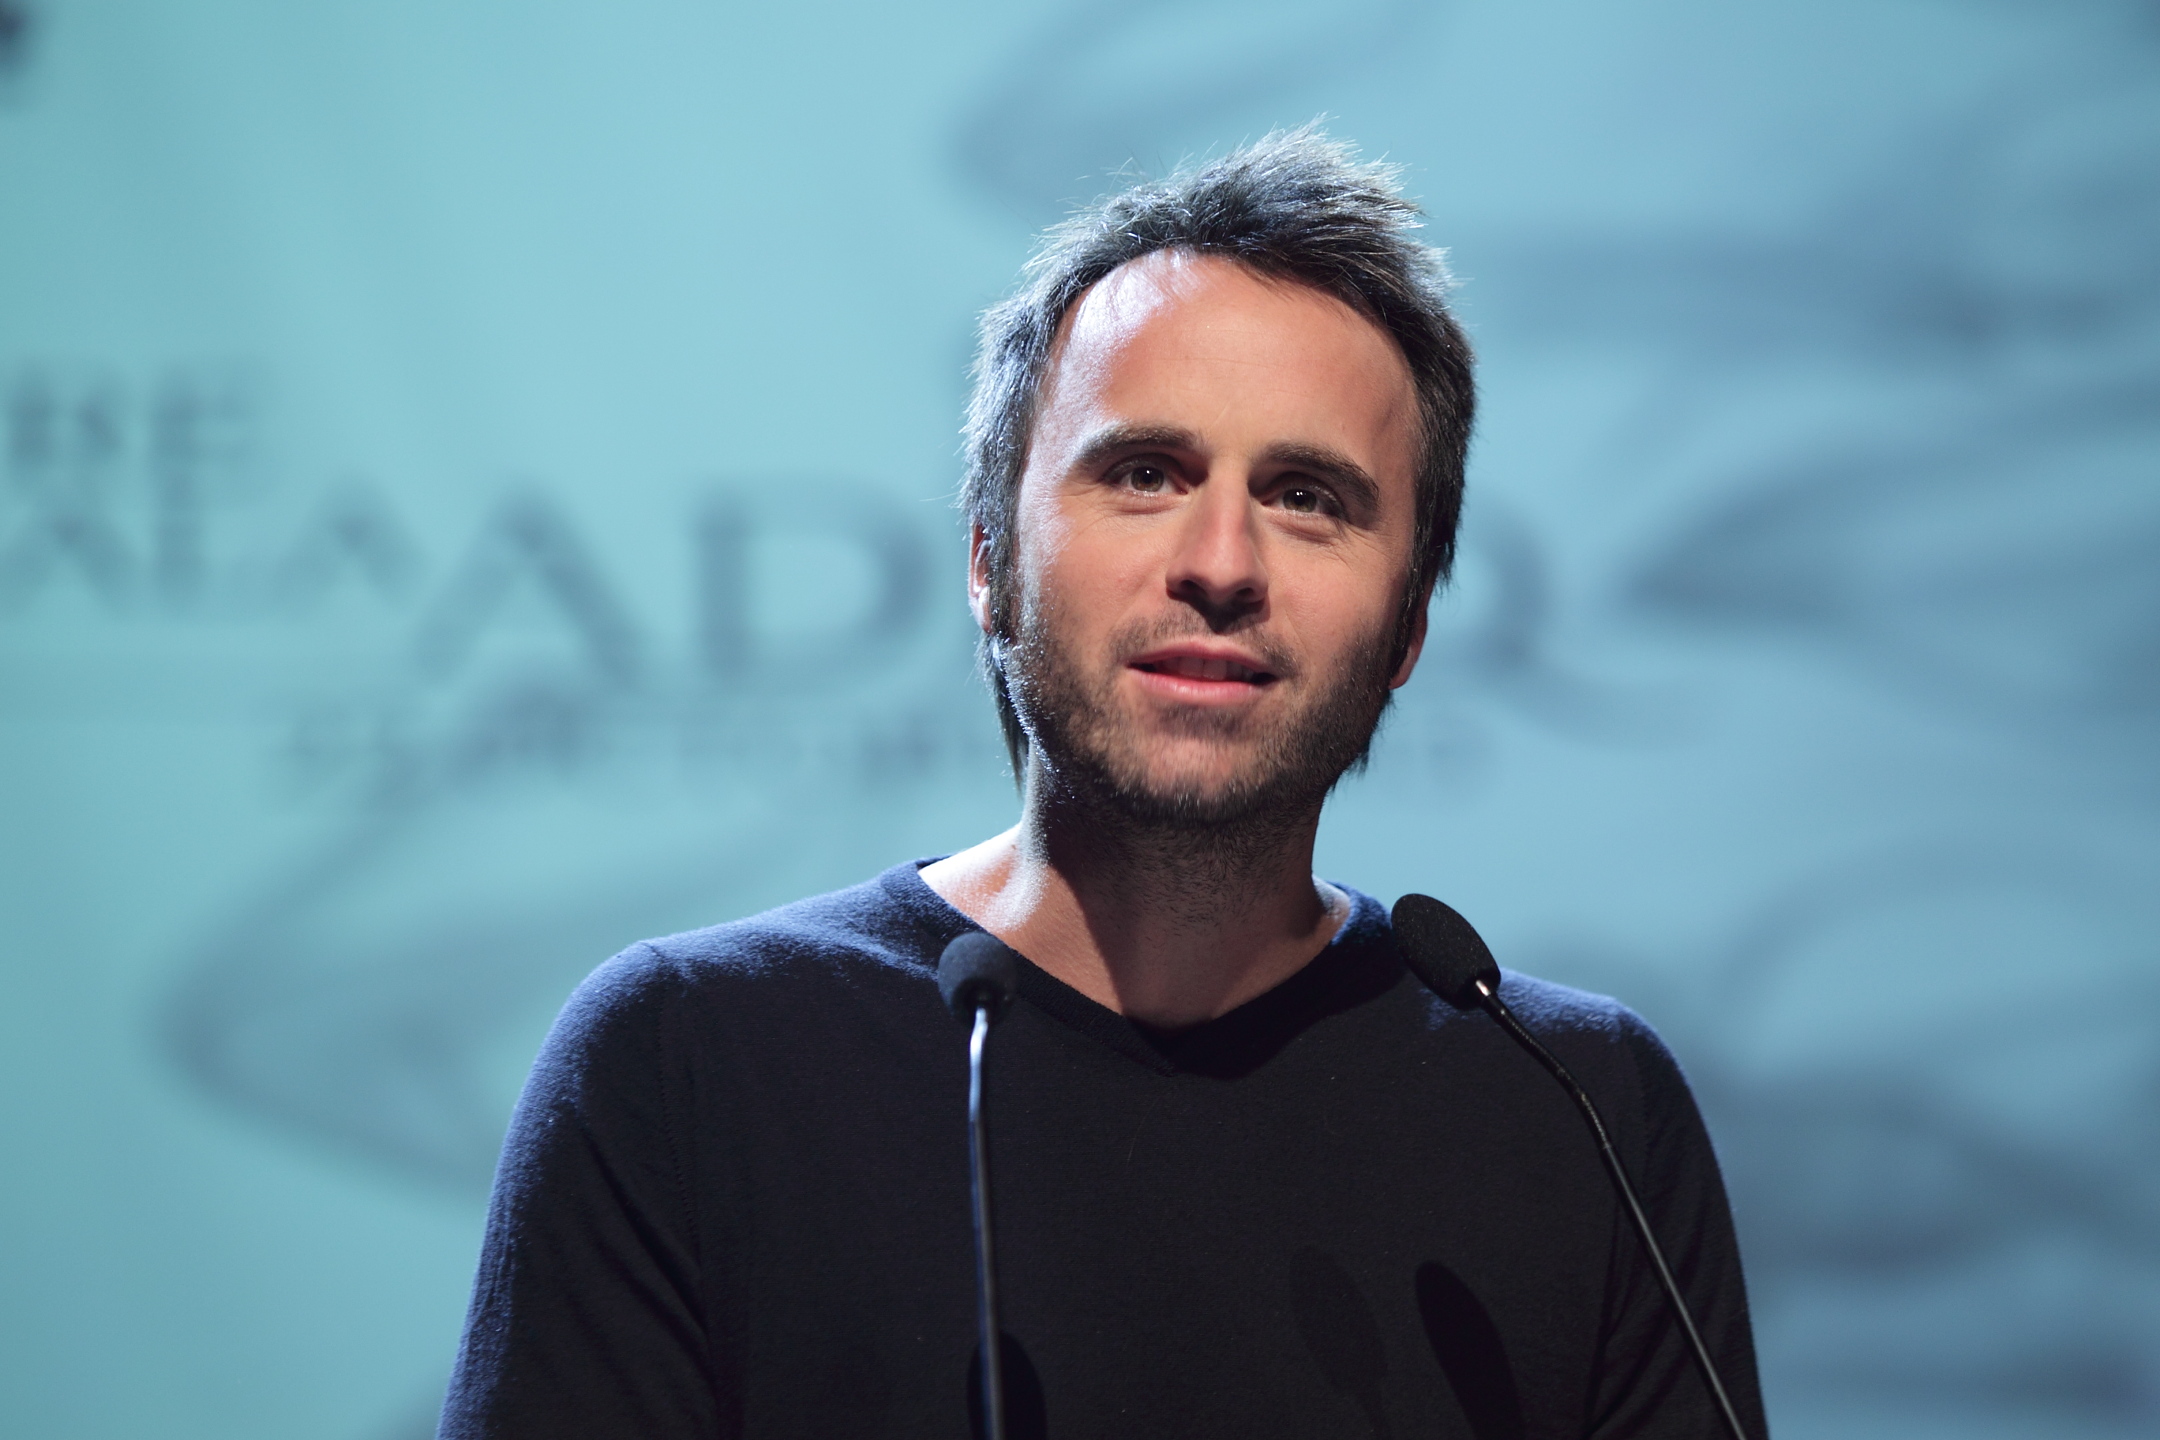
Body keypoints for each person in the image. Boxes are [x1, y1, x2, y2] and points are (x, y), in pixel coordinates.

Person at [439, 127, 1766, 1440]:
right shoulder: (691, 1063)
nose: (1223, 564)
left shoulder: (1579, 1112)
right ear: (988, 562)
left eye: (1309, 498)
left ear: (1410, 626)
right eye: (1144, 474)